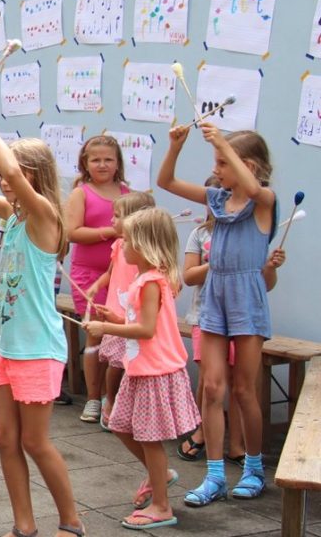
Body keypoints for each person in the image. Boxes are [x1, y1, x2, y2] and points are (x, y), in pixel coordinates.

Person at [0, 100, 85, 537]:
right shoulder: (13, 216)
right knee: (5, 439)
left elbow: (5, 170)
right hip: (10, 347)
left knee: (35, 441)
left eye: (17, 173)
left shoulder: (46, 217)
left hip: (39, 348)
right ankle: (24, 526)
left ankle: (71, 523)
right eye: (8, 173)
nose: (6, 180)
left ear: (37, 177)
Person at [158, 123, 278, 506]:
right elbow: (167, 182)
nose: (217, 171)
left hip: (246, 300)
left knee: (244, 390)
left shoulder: (264, 201)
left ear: (247, 164)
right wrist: (175, 146)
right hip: (215, 299)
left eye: (222, 163)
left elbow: (256, 189)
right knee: (212, 387)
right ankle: (213, 476)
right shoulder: (216, 198)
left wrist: (222, 141)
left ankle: (254, 469)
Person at [83, 208, 200, 530]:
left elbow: (147, 330)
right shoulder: (144, 279)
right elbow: (144, 324)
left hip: (155, 371)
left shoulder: (150, 281)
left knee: (150, 439)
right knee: (120, 425)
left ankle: (162, 506)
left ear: (146, 245)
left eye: (130, 240)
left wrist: (106, 329)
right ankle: (159, 475)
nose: (124, 245)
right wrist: (117, 320)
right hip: (142, 368)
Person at [177, 177, 285, 463]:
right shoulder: (200, 234)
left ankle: (239, 447)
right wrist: (217, 261)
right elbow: (188, 277)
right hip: (207, 315)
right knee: (211, 385)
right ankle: (203, 435)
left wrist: (270, 268)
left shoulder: (254, 234)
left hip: (243, 318)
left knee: (242, 386)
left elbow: (267, 284)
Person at [65, 135, 129, 420]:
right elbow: (72, 232)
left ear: (118, 163)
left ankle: (111, 398)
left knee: (118, 337)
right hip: (88, 276)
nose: (102, 164)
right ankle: (93, 398)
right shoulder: (81, 193)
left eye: (108, 159)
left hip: (123, 276)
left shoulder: (128, 193)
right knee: (95, 336)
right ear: (85, 164)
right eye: (96, 160)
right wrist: (110, 232)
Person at [83, 191, 156, 427]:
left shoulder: (146, 251)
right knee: (115, 363)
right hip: (116, 315)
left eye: (117, 216)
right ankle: (110, 400)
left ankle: (128, 405)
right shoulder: (118, 246)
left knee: (132, 363)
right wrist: (96, 286)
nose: (112, 221)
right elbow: (110, 272)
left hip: (134, 315)